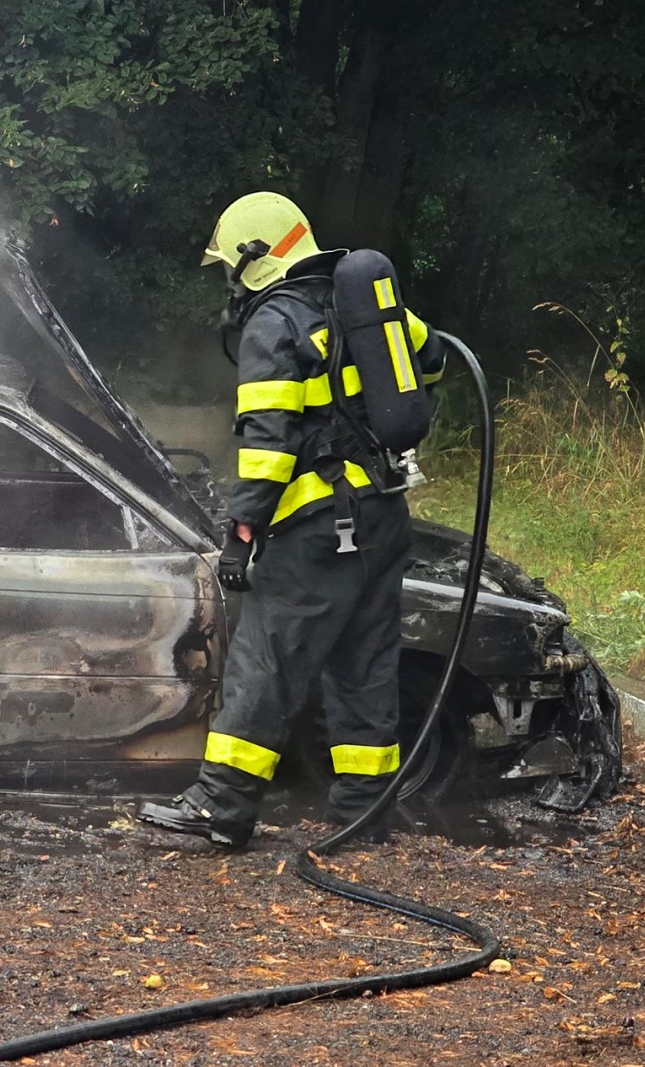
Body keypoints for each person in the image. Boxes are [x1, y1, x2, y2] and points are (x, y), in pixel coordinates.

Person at [137, 191, 446, 848]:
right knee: (366, 668)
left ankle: (219, 809)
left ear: (253, 256)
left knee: (265, 660)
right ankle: (365, 812)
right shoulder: (357, 303)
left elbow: (268, 445)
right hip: (383, 517)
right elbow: (433, 356)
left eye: (229, 265)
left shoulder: (274, 325)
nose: (228, 279)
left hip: (317, 530)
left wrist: (241, 532)